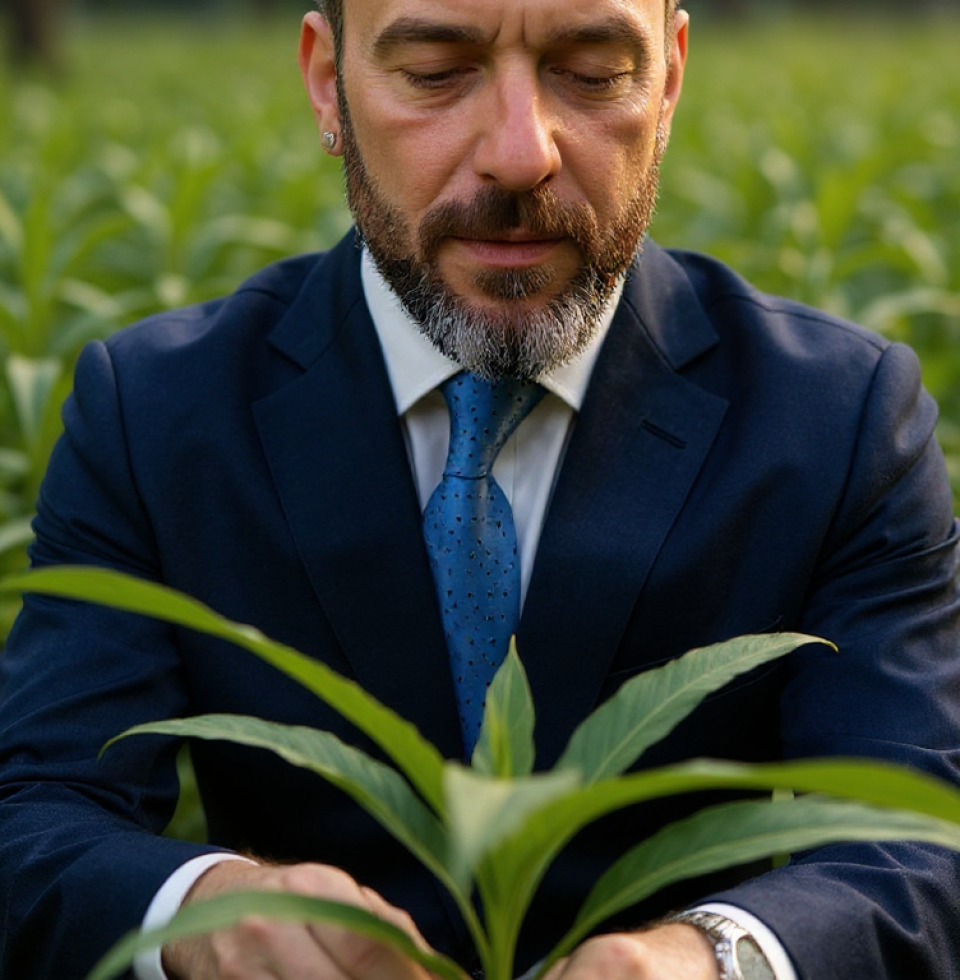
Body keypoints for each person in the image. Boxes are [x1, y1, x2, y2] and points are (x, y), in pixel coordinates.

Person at [1, 0, 959, 978]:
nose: (519, 153)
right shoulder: (155, 412)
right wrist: (206, 908)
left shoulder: (837, 421)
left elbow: (920, 841)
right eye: (434, 70)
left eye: (591, 71)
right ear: (329, 81)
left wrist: (716, 959)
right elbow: (35, 811)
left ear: (667, 79)